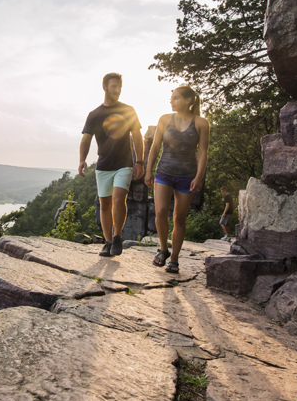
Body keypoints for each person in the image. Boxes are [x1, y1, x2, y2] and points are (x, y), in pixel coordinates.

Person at [144, 86, 209, 273]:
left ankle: (174, 258)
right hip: (164, 172)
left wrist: (199, 177)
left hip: (187, 176)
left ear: (189, 101)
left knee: (179, 218)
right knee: (161, 211)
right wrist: (149, 170)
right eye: (171, 98)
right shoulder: (164, 119)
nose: (171, 101)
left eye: (176, 98)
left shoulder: (201, 123)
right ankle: (163, 249)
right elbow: (155, 146)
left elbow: (203, 152)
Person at [79, 73, 144, 257]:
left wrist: (139, 161)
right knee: (104, 204)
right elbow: (86, 139)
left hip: (124, 163)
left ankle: (117, 237)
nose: (117, 90)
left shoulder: (128, 110)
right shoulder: (94, 114)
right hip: (103, 165)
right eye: (113, 87)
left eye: (119, 87)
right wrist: (82, 159)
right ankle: (107, 243)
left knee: (118, 199)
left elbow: (138, 137)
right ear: (104, 87)